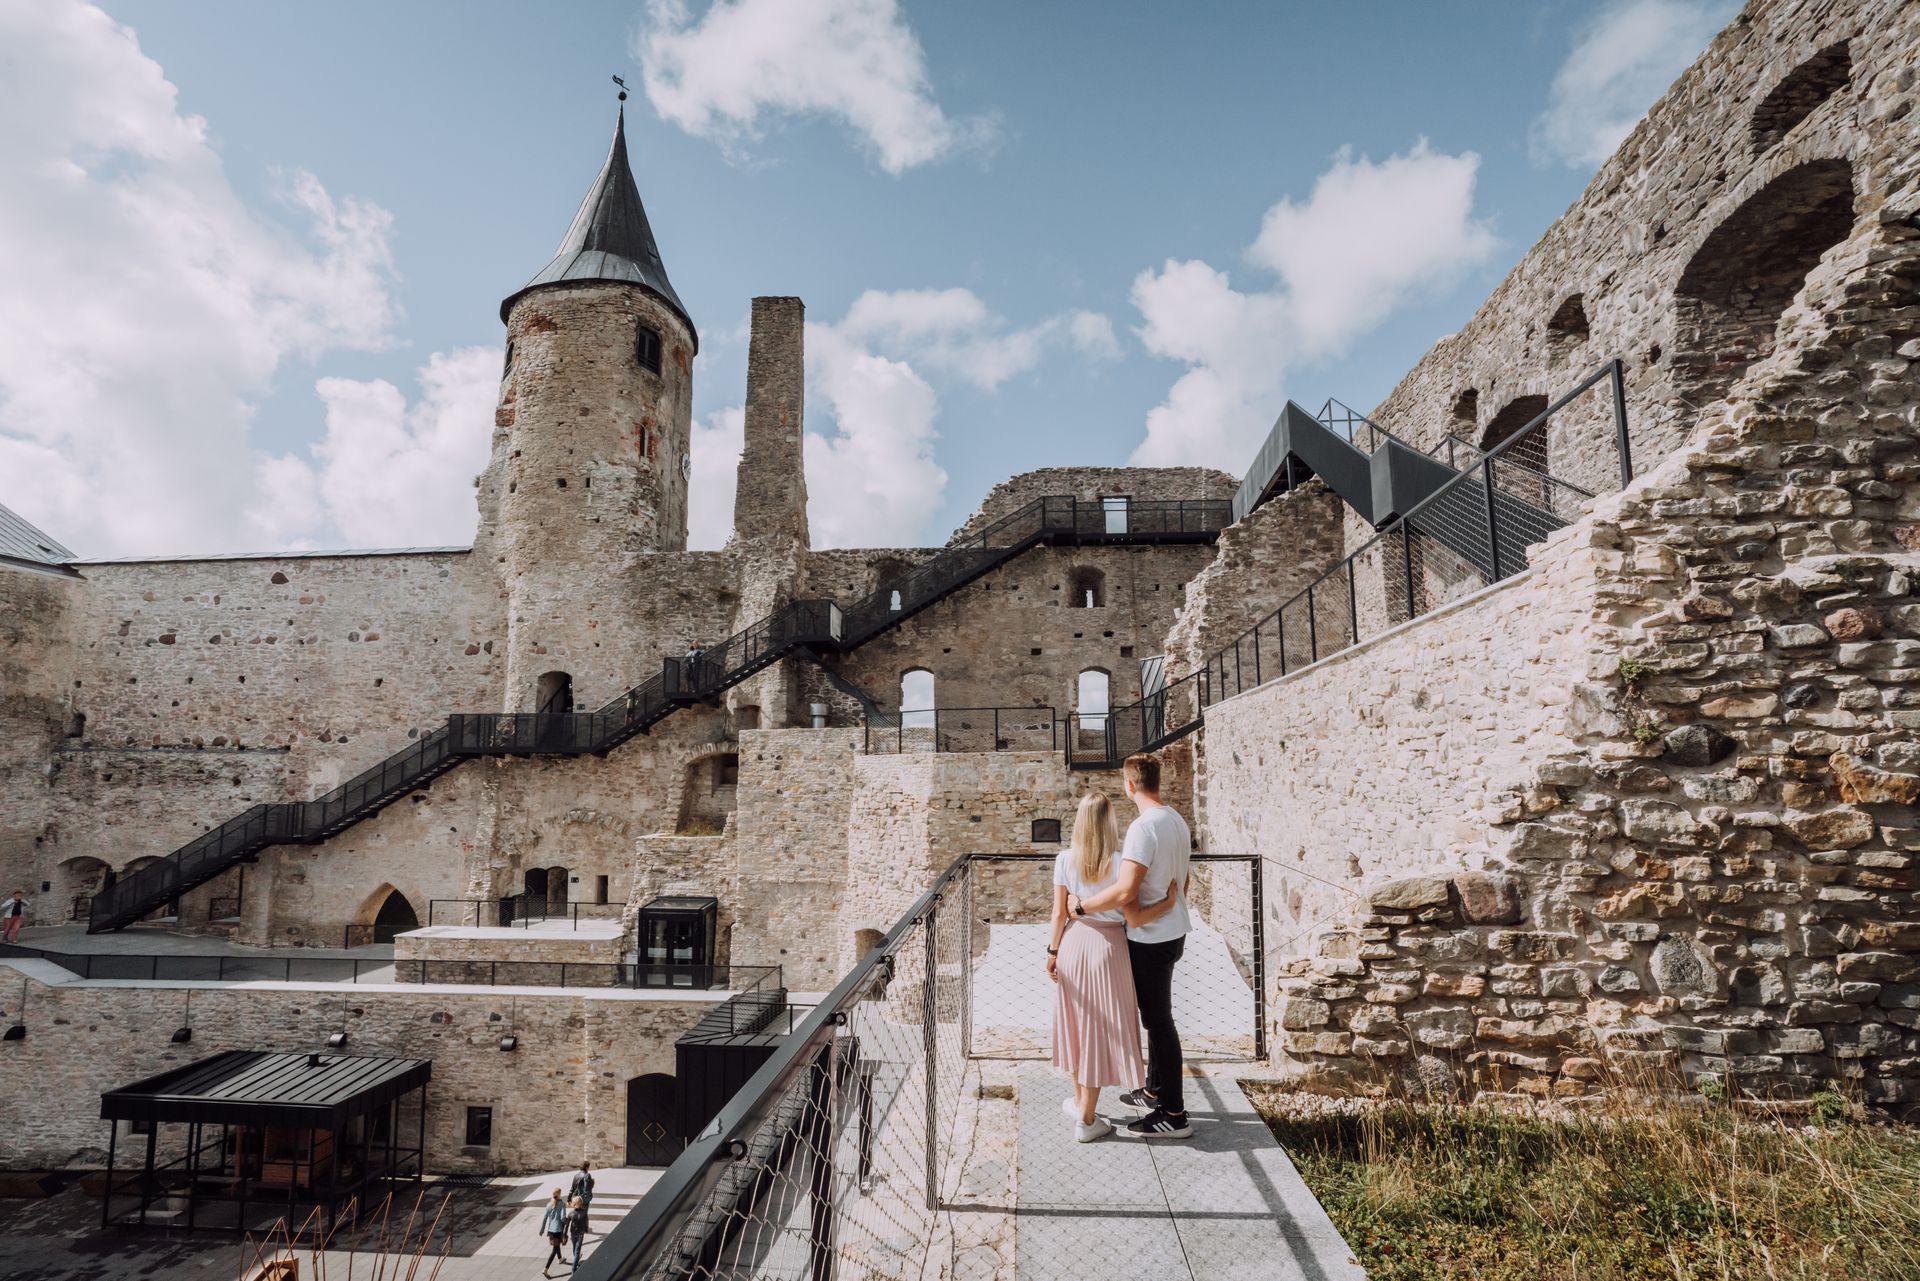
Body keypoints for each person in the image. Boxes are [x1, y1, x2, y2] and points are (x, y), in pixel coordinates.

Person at [1069, 752, 1194, 1139]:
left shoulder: (1144, 827)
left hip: (1149, 938)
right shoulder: (1177, 821)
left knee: (1159, 1024)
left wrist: (1081, 906)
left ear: (1129, 785)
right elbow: (1183, 882)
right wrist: (1167, 906)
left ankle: (1174, 1114)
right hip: (1174, 930)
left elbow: (1124, 891)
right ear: (1159, 780)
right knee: (1158, 1018)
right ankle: (1155, 1090)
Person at [1048, 791, 1180, 1143]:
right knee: (1097, 1030)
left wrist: (1053, 950)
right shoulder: (1121, 863)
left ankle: (1081, 1104)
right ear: (1110, 823)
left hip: (1073, 945)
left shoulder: (1064, 859)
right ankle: (1087, 1119)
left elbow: (1059, 913)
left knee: (1078, 1026)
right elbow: (1134, 918)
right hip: (1109, 949)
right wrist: (1169, 904)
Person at [538, 1188, 568, 1277]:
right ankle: (546, 1269)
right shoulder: (562, 1204)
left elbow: (544, 1218)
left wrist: (542, 1230)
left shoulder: (548, 1205)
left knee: (556, 1245)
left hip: (551, 1230)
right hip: (558, 1230)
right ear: (559, 1194)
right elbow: (563, 1218)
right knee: (555, 1249)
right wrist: (567, 1222)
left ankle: (560, 1259)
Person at [567, 1192, 590, 1271]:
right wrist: (586, 1229)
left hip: (573, 1232)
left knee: (574, 1248)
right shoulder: (584, 1212)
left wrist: (564, 1234)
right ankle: (574, 1268)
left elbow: (567, 1225)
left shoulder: (571, 1213)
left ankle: (576, 1261)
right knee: (577, 1251)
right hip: (580, 1233)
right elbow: (586, 1221)